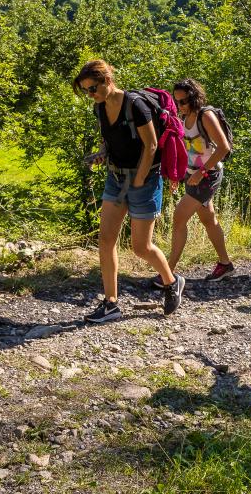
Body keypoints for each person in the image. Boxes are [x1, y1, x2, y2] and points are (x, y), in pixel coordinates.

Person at [73, 60, 184, 321]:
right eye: (86, 91)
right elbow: (108, 139)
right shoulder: (99, 108)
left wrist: (140, 178)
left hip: (145, 180)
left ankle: (171, 282)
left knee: (140, 247)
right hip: (116, 177)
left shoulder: (136, 104)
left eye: (93, 89)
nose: (91, 95)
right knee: (106, 240)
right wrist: (101, 155)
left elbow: (152, 145)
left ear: (107, 81)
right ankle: (111, 303)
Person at [151, 79, 234, 285]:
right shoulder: (183, 116)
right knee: (209, 220)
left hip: (208, 175)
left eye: (184, 101)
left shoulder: (206, 116)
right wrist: (179, 174)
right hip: (192, 174)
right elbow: (186, 150)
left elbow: (224, 148)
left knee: (179, 219)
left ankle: (168, 273)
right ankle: (225, 265)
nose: (180, 106)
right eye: (177, 101)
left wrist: (201, 172)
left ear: (194, 97)